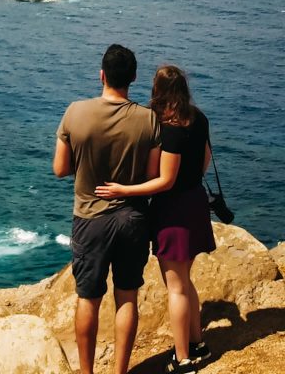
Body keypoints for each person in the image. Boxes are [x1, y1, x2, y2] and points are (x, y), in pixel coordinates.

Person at [96, 65, 216, 374]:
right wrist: (190, 180)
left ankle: (182, 359)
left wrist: (123, 189)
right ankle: (198, 343)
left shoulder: (170, 129)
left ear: (158, 90)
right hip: (195, 202)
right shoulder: (199, 117)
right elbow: (205, 160)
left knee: (175, 287)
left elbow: (164, 180)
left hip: (173, 210)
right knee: (185, 280)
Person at [53, 44, 161, 374]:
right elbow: (152, 175)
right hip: (133, 219)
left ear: (101, 75)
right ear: (133, 78)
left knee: (88, 298)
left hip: (90, 219)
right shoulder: (148, 119)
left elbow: (60, 168)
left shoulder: (75, 112)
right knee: (127, 296)